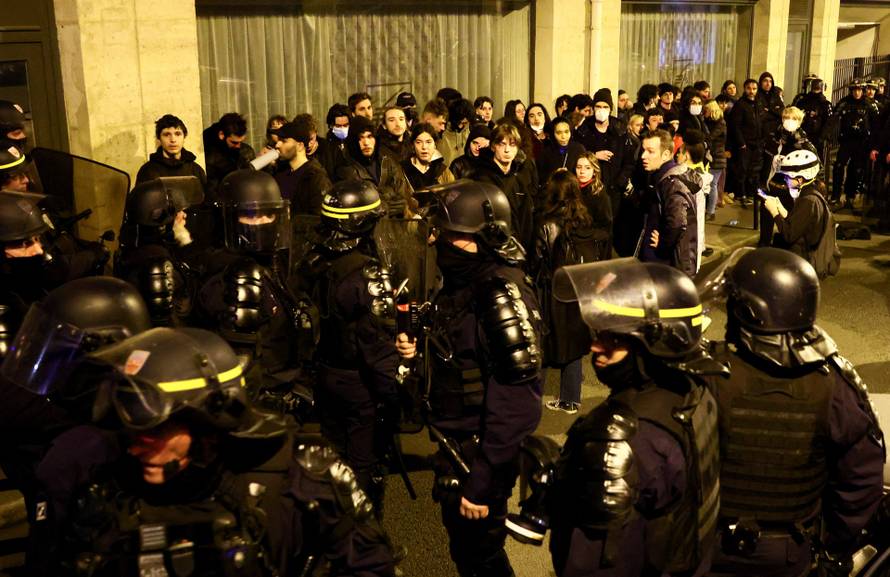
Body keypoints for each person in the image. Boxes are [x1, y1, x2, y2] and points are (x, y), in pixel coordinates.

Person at [40, 326, 396, 577]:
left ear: (205, 423)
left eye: (154, 429)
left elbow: (371, 564)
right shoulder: (108, 489)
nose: (136, 444)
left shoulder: (300, 473)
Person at [702, 247, 884, 577]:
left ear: (747, 311)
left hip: (709, 547)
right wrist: (831, 540)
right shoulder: (833, 386)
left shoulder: (710, 375)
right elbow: (862, 478)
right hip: (789, 552)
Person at [395, 180, 543, 577]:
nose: (439, 241)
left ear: (486, 237)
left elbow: (517, 401)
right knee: (468, 554)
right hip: (454, 446)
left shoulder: (497, 295)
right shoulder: (463, 284)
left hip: (476, 457)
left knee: (482, 561)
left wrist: (483, 479)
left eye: (451, 236)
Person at [545, 258, 725, 577]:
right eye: (598, 332)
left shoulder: (621, 437)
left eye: (613, 339)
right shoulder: (695, 391)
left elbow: (593, 565)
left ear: (651, 344)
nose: (594, 347)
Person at [295, 179, 400, 516]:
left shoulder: (312, 259)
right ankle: (366, 541)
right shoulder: (366, 274)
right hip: (359, 383)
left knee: (334, 458)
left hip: (323, 375)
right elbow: (378, 347)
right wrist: (398, 391)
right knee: (363, 464)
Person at [192, 169, 314, 399]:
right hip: (261, 398)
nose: (261, 223)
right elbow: (239, 365)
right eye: (250, 215)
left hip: (285, 387)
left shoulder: (271, 264)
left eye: (268, 214)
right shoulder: (235, 275)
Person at [532, 170, 610, 414]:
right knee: (573, 344)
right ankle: (570, 399)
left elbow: (537, 262)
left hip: (550, 292)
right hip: (577, 291)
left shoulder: (546, 224)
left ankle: (532, 399)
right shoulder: (583, 220)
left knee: (543, 344)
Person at [114, 176, 204, 326]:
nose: (184, 215)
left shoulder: (144, 248)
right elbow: (165, 321)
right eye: (178, 211)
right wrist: (183, 238)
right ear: (159, 218)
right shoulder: (155, 262)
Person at [638, 129, 701, 277]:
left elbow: (677, 223)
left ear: (666, 154)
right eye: (643, 150)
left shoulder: (672, 183)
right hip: (660, 261)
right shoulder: (660, 178)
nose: (643, 156)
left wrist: (662, 245)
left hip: (665, 264)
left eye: (650, 151)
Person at [473, 123, 539, 251]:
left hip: (518, 249)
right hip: (492, 250)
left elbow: (526, 220)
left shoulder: (519, 178)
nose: (507, 150)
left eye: (512, 144)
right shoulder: (481, 178)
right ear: (493, 146)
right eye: (502, 144)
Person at [762, 149, 831, 263]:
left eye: (788, 177)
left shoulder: (809, 201)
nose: (785, 180)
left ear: (800, 179)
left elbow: (789, 235)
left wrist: (774, 213)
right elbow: (799, 224)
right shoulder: (811, 192)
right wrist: (782, 210)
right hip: (803, 254)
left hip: (802, 258)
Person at [336, 116, 413, 218]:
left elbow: (403, 196)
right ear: (353, 141)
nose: (366, 143)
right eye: (360, 138)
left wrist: (383, 200)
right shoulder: (346, 169)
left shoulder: (387, 161)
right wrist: (388, 201)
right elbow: (364, 206)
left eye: (370, 136)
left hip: (395, 226)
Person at [583, 88, 636, 219]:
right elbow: (578, 156)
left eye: (605, 106)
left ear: (610, 109)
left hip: (614, 191)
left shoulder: (620, 130)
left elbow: (629, 162)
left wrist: (620, 183)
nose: (601, 110)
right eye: (598, 106)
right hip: (591, 188)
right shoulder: (584, 130)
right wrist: (594, 155)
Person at [272, 118, 332, 215]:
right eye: (278, 140)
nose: (277, 145)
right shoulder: (281, 172)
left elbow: (319, 218)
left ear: (300, 146)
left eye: (283, 141)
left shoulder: (316, 177)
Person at [135, 114, 208, 188]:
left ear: (184, 137)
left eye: (178, 134)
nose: (173, 140)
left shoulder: (196, 170)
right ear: (159, 138)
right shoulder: (147, 171)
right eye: (166, 135)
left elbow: (209, 198)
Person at [832, 79, 873, 207]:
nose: (857, 92)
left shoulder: (868, 104)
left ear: (863, 90)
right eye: (854, 90)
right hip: (846, 142)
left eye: (859, 90)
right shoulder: (844, 103)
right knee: (838, 167)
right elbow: (833, 118)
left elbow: (876, 123)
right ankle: (835, 196)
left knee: (855, 170)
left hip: (861, 143)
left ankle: (850, 196)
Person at [202, 112, 256, 198]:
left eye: (240, 142)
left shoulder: (245, 151)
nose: (238, 147)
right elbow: (211, 191)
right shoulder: (209, 155)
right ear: (221, 135)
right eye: (234, 142)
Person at [727, 78, 763, 207]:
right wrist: (741, 143)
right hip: (745, 144)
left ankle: (751, 193)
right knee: (742, 170)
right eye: (749, 88)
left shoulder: (758, 103)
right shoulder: (740, 104)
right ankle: (741, 194)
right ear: (744, 89)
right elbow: (735, 126)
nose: (751, 91)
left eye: (754, 89)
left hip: (757, 143)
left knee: (754, 170)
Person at [401, 122, 455, 207]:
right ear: (412, 145)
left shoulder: (442, 171)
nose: (424, 147)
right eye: (419, 142)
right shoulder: (402, 170)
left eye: (428, 142)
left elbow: (454, 198)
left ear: (435, 145)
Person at [537, 117, 586, 185]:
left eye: (566, 132)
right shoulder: (546, 152)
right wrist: (554, 175)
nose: (563, 136)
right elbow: (540, 178)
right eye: (558, 133)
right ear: (553, 134)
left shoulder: (579, 148)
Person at [794, 78, 832, 159]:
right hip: (802, 135)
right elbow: (794, 115)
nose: (816, 89)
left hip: (817, 137)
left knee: (816, 159)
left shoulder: (825, 104)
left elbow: (828, 122)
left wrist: (822, 137)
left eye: (818, 87)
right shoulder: (802, 101)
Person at [703, 100, 728, 220]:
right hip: (712, 157)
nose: (704, 112)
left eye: (705, 110)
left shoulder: (720, 123)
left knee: (712, 184)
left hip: (717, 157)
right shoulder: (708, 122)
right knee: (709, 184)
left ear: (711, 110)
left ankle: (711, 211)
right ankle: (709, 210)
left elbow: (710, 137)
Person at [319, 103, 351, 178]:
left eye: (346, 125)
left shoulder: (355, 143)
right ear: (331, 126)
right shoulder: (325, 148)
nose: (343, 129)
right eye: (338, 126)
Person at [757, 72, 785, 142]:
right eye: (765, 81)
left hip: (776, 130)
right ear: (761, 82)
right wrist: (776, 112)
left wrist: (769, 110)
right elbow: (761, 115)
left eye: (770, 81)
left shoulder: (775, 95)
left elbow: (782, 111)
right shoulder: (756, 95)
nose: (768, 84)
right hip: (761, 131)